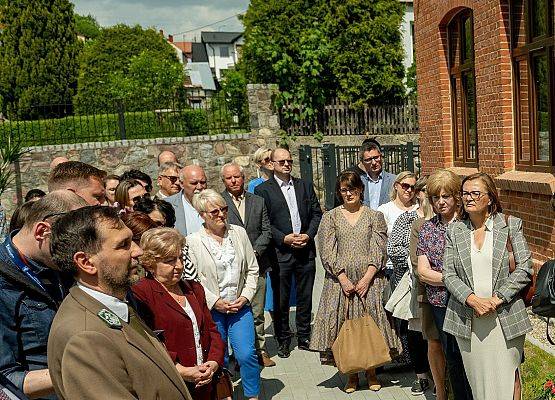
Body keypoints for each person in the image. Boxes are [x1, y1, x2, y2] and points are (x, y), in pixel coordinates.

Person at [47, 206, 192, 400]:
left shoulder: (114, 304)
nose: (138, 251)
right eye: (124, 245)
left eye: (132, 240)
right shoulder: (85, 338)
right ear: (86, 262)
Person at [443, 173, 532, 400]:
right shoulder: (455, 231)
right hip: (468, 318)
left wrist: (496, 299)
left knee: (508, 376)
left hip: (504, 316)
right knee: (479, 382)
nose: (469, 198)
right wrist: (472, 299)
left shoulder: (510, 225)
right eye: (465, 194)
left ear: (490, 198)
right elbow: (449, 274)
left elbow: (525, 269)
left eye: (475, 193)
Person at [311, 171, 402, 393]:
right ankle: (350, 375)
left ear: (360, 189)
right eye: (344, 190)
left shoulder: (374, 216)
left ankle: (371, 373)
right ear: (339, 192)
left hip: (369, 282)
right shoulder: (330, 217)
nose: (349, 193)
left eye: (353, 189)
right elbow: (327, 250)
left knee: (371, 327)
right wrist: (342, 278)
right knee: (346, 328)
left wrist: (367, 277)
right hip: (339, 283)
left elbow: (379, 248)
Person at [0, 191, 87, 399]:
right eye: (70, 244)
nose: (76, 254)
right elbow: (7, 380)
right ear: (41, 232)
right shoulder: (4, 283)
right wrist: (87, 367)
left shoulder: (57, 266)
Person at [132, 228, 225, 400]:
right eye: (169, 261)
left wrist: (213, 363)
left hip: (205, 383)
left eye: (181, 258)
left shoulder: (194, 289)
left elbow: (211, 330)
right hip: (172, 384)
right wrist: (181, 370)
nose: (180, 265)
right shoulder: (141, 294)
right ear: (150, 263)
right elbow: (147, 344)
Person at [186, 189, 260, 400]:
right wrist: (215, 302)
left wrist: (245, 297)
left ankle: (252, 395)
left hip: (239, 306)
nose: (221, 214)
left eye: (224, 209)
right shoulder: (193, 241)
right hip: (212, 310)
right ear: (202, 215)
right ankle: (223, 393)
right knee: (219, 358)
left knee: (246, 354)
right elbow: (194, 280)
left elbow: (253, 269)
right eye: (214, 212)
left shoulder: (238, 233)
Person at [255, 148, 323, 358]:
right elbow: (264, 222)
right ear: (272, 164)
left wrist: (308, 235)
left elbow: (316, 214)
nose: (286, 164)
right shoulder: (263, 190)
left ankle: (304, 335)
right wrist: (282, 238)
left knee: (305, 295)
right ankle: (283, 339)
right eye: (282, 161)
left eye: (289, 161)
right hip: (280, 252)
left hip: (305, 250)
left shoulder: (304, 186)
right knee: (282, 298)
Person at [417, 169, 472, 400]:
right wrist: (452, 280)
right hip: (441, 303)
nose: (440, 202)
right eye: (435, 198)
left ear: (456, 197)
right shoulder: (428, 229)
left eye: (445, 196)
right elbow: (423, 272)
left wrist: (449, 280)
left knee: (470, 356)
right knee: (452, 356)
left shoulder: (469, 224)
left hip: (469, 301)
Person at [220, 163, 275, 367]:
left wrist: (253, 252)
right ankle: (237, 354)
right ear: (223, 181)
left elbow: (266, 231)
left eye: (237, 177)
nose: (233, 181)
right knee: (235, 312)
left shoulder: (258, 201)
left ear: (243, 178)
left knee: (258, 311)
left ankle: (260, 350)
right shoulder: (219, 203)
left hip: (257, 264)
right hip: (230, 268)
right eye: (229, 178)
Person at [387, 176, 434, 395]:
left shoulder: (442, 219)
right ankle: (421, 376)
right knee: (415, 332)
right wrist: (415, 258)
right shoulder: (406, 220)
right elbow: (394, 250)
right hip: (410, 281)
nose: (423, 195)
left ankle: (437, 374)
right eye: (420, 191)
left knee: (434, 332)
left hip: (433, 281)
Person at [378, 171, 418, 278]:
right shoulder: (384, 210)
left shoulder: (418, 209)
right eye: (405, 186)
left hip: (414, 266)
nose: (409, 190)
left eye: (413, 187)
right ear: (396, 186)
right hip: (391, 267)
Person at [337, 138, 396, 210]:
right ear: (362, 162)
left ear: (381, 156)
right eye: (368, 160)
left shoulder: (394, 180)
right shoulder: (357, 182)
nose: (374, 162)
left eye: (376, 157)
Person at [166, 165, 207, 236]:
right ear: (181, 184)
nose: (199, 187)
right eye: (194, 183)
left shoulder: (215, 202)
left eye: (203, 182)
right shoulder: (168, 205)